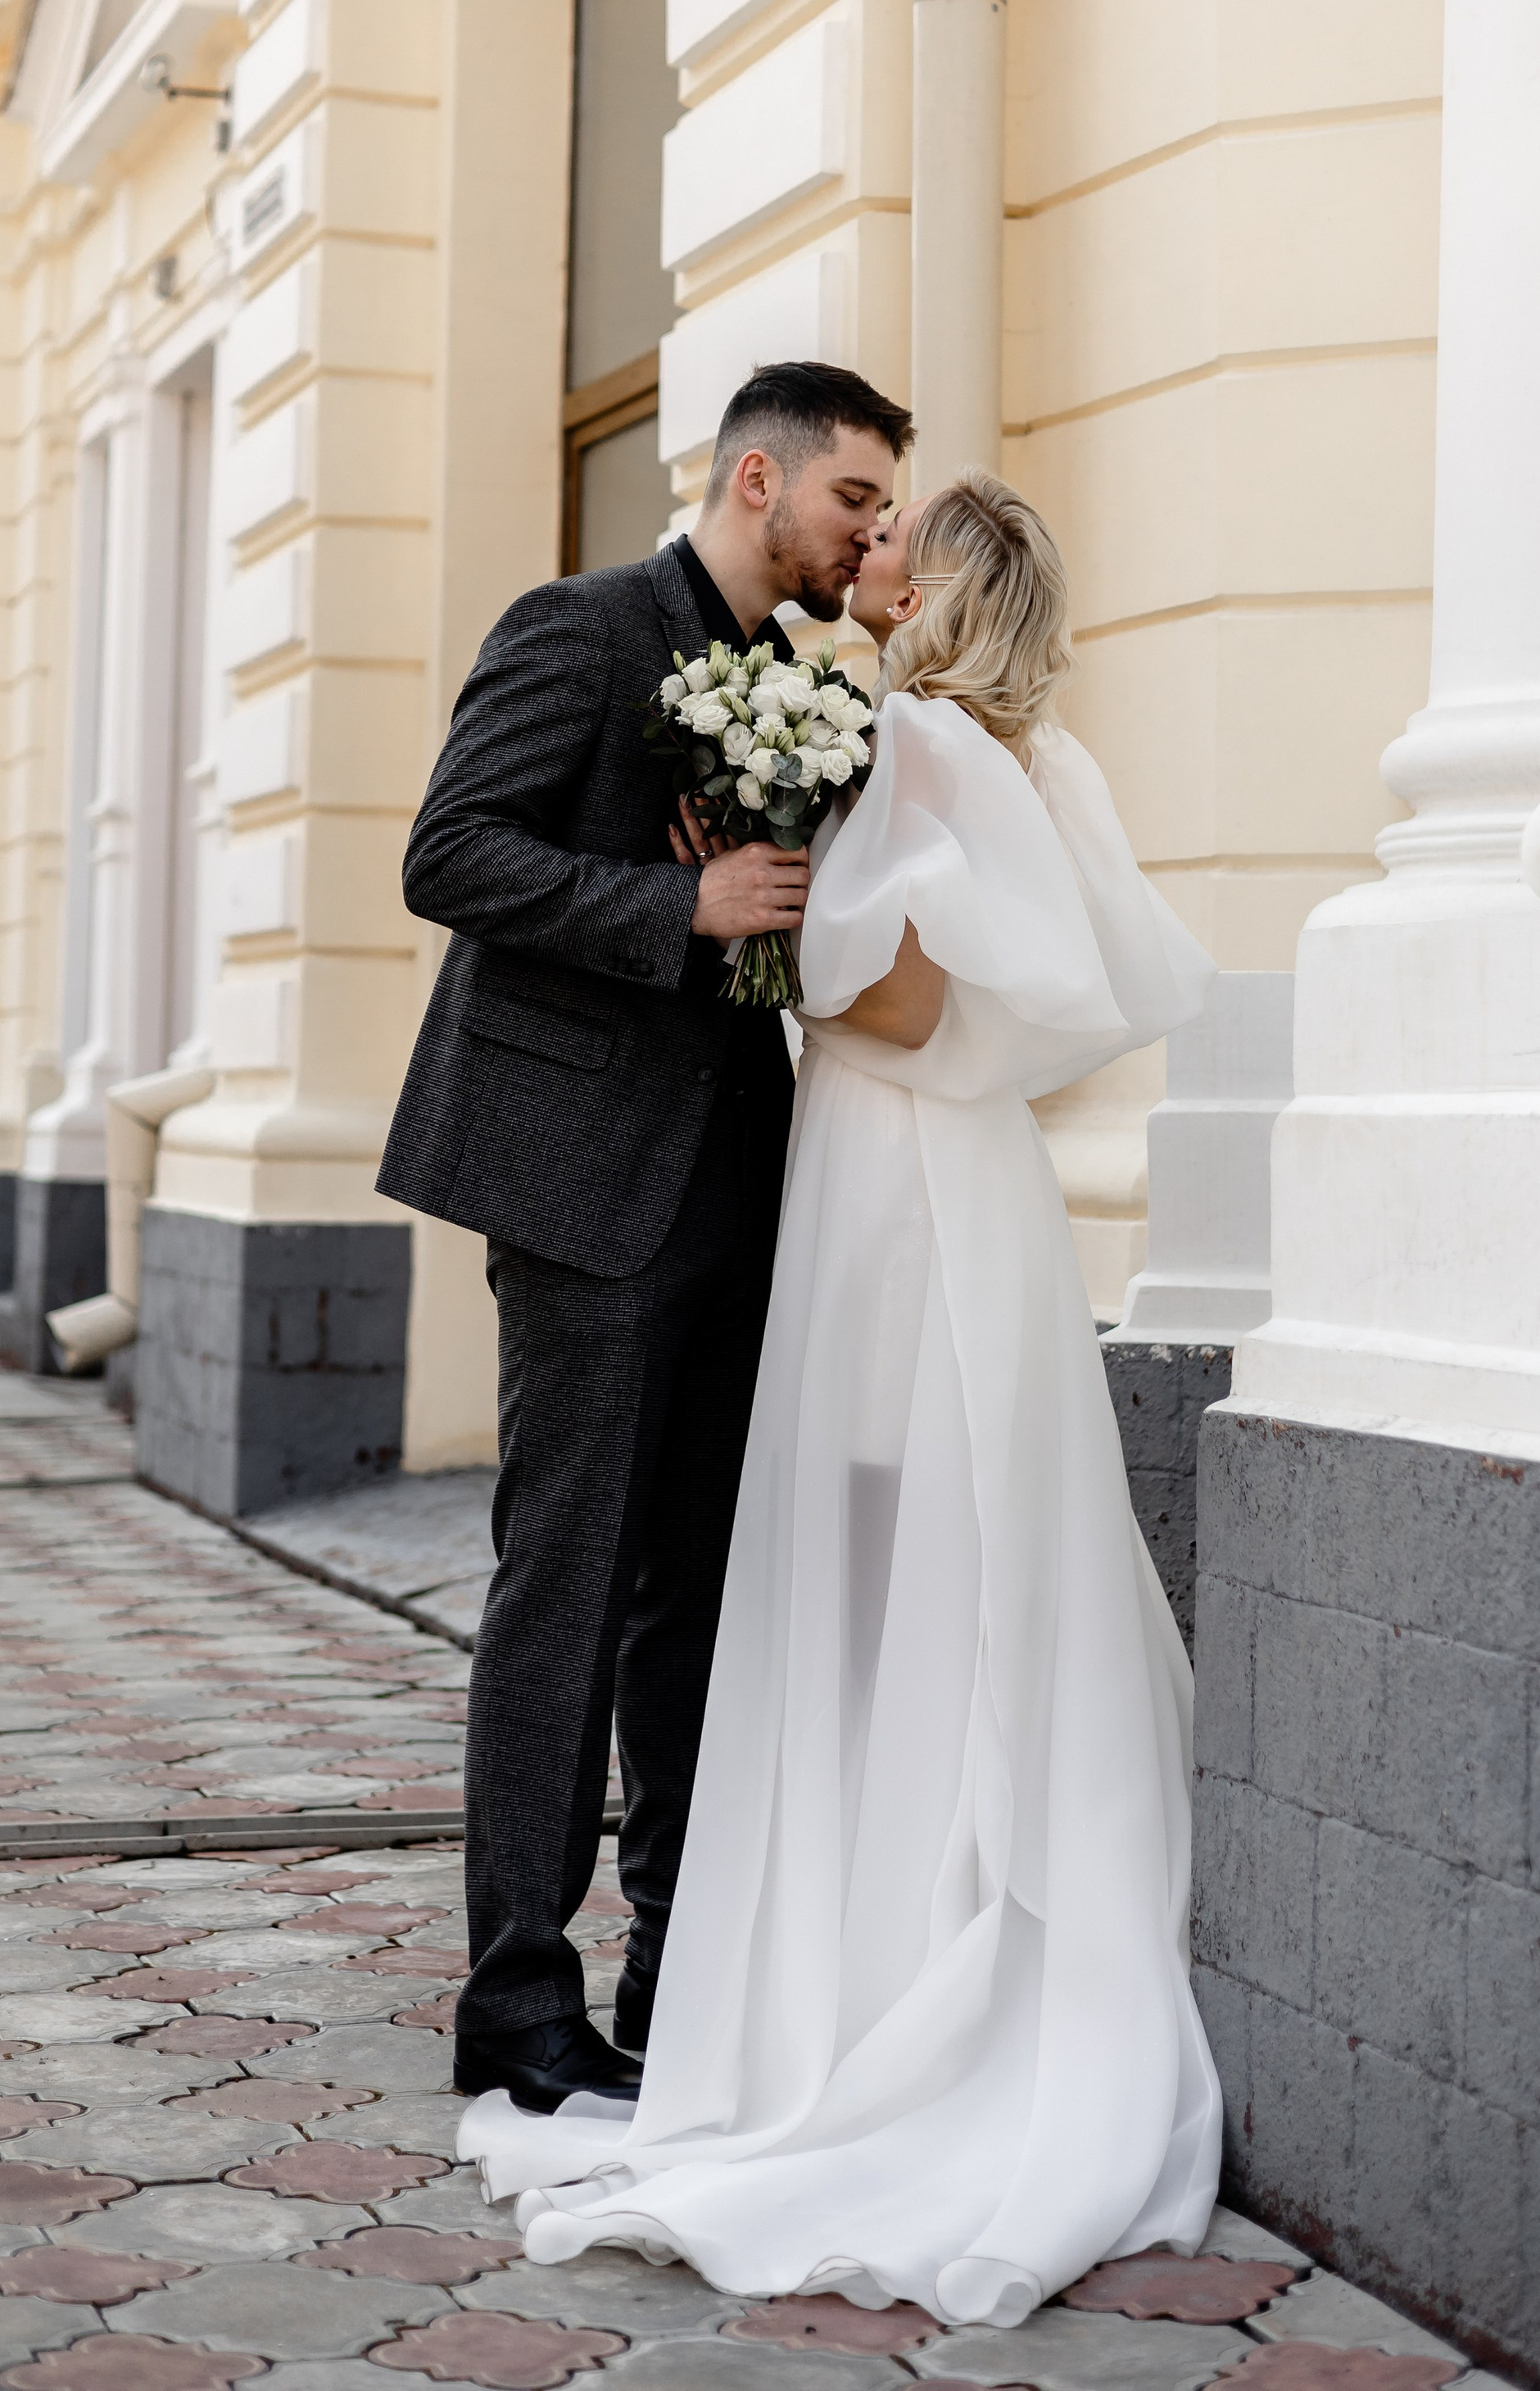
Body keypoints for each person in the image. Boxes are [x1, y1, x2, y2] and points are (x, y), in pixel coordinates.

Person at [459, 470, 1223, 2323]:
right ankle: (888, 1923)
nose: (857, 554)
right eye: (854, 516)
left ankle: (869, 1969)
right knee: (942, 1551)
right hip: (961, 1185)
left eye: (888, 536)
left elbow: (892, 1004)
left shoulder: (912, 741)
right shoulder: (1032, 751)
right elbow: (1070, 988)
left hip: (889, 1185)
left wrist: (734, 899)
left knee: (872, 1566)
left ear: (935, 586)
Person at [378, 361, 916, 2117]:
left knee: (692, 1605)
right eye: (854, 501)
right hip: (577, 1184)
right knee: (568, 1585)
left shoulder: (791, 684)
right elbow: (450, 853)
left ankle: (672, 1975)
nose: (871, 532)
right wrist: (667, 900)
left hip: (735, 1190)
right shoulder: (584, 626)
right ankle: (514, 2002)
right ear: (758, 478)